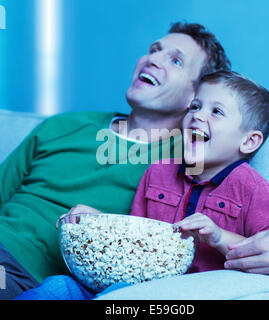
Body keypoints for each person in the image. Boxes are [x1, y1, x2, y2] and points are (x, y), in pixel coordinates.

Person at [0, 22, 231, 299]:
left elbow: (268, 216)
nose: (153, 59)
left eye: (176, 60)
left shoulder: (194, 156)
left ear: (195, 99)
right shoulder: (65, 126)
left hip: (25, 276)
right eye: (154, 50)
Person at [130, 70, 269, 272]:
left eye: (216, 112)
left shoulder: (252, 188)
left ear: (248, 141)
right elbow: (133, 235)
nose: (197, 115)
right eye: (195, 106)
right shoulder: (157, 171)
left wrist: (219, 237)